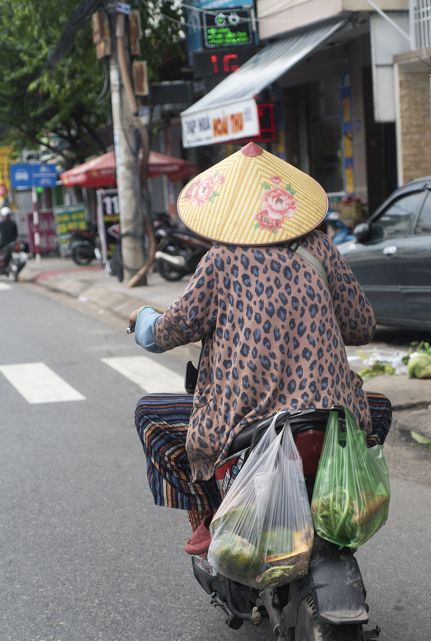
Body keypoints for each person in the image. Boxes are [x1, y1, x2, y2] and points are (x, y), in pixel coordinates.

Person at [129, 142, 391, 556]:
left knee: (150, 416)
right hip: (330, 416)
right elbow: (361, 326)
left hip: (243, 423)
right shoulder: (320, 248)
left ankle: (210, 513)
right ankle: (344, 495)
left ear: (230, 212)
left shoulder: (220, 261)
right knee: (379, 409)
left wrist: (142, 318)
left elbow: (168, 331)